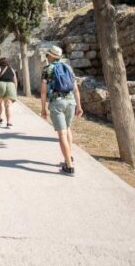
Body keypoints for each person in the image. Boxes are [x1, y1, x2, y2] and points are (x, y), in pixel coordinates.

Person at [40, 45, 83, 175]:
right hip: (71, 102)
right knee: (68, 129)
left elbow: (43, 91)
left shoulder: (47, 69)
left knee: (62, 134)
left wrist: (43, 108)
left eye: (47, 55)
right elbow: (75, 88)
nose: (46, 57)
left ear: (50, 56)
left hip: (57, 102)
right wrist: (79, 106)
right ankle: (68, 156)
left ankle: (69, 166)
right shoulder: (68, 67)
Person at [0, 57, 18, 127]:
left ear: (0, 62)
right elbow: (15, 80)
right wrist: (15, 89)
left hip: (0, 85)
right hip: (11, 86)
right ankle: (8, 122)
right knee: (8, 105)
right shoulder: (12, 69)